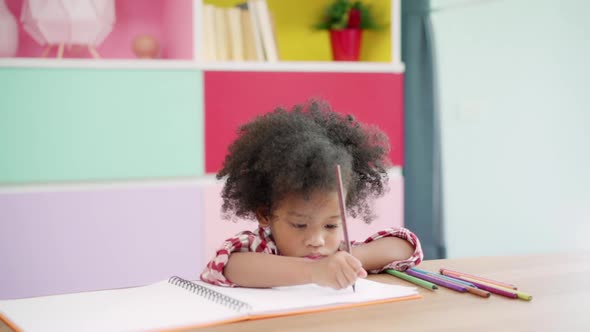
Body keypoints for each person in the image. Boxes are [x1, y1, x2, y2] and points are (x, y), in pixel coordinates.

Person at [201, 100, 423, 289]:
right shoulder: (259, 247)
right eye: (299, 225)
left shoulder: (336, 251)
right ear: (265, 213)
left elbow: (405, 247)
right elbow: (227, 266)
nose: (317, 241)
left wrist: (350, 260)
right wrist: (314, 271)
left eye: (331, 226)